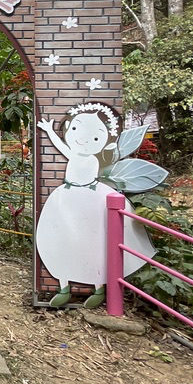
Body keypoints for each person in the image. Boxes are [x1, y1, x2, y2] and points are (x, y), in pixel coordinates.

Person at [34, 103, 154, 308]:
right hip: (67, 199)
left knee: (94, 242)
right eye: (75, 129)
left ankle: (99, 288)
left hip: (90, 200)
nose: (84, 139)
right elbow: (62, 147)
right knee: (61, 239)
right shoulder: (73, 154)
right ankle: (64, 287)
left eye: (96, 137)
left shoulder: (92, 159)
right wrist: (48, 130)